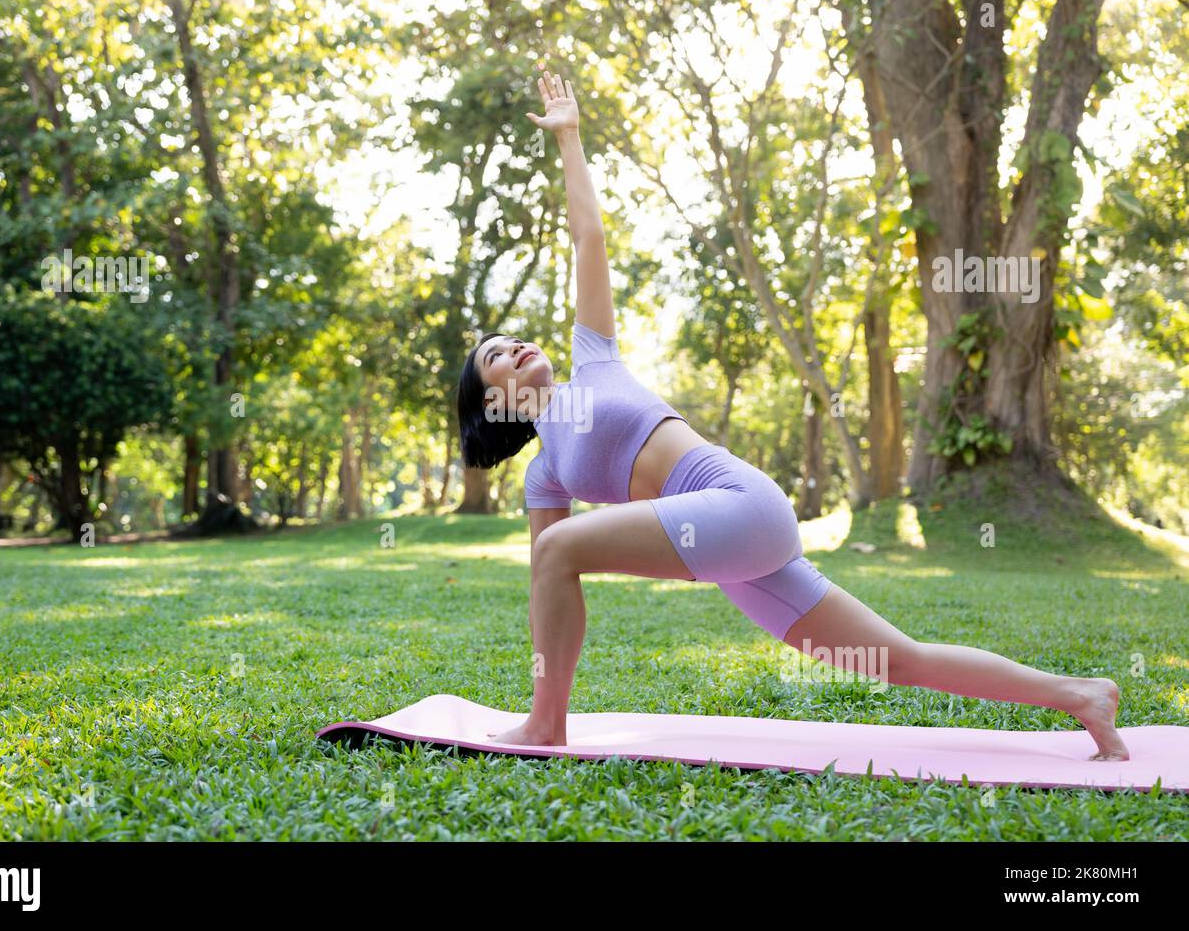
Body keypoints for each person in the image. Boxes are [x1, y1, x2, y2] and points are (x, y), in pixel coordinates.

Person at [454, 70, 1128, 761]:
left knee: (558, 547)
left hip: (739, 507)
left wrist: (568, 137)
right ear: (494, 403)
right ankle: (1080, 695)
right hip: (733, 557)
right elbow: (546, 582)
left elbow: (587, 237)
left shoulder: (593, 360)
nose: (515, 346)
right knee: (895, 658)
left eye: (513, 339)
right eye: (497, 358)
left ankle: (545, 725)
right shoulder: (546, 476)